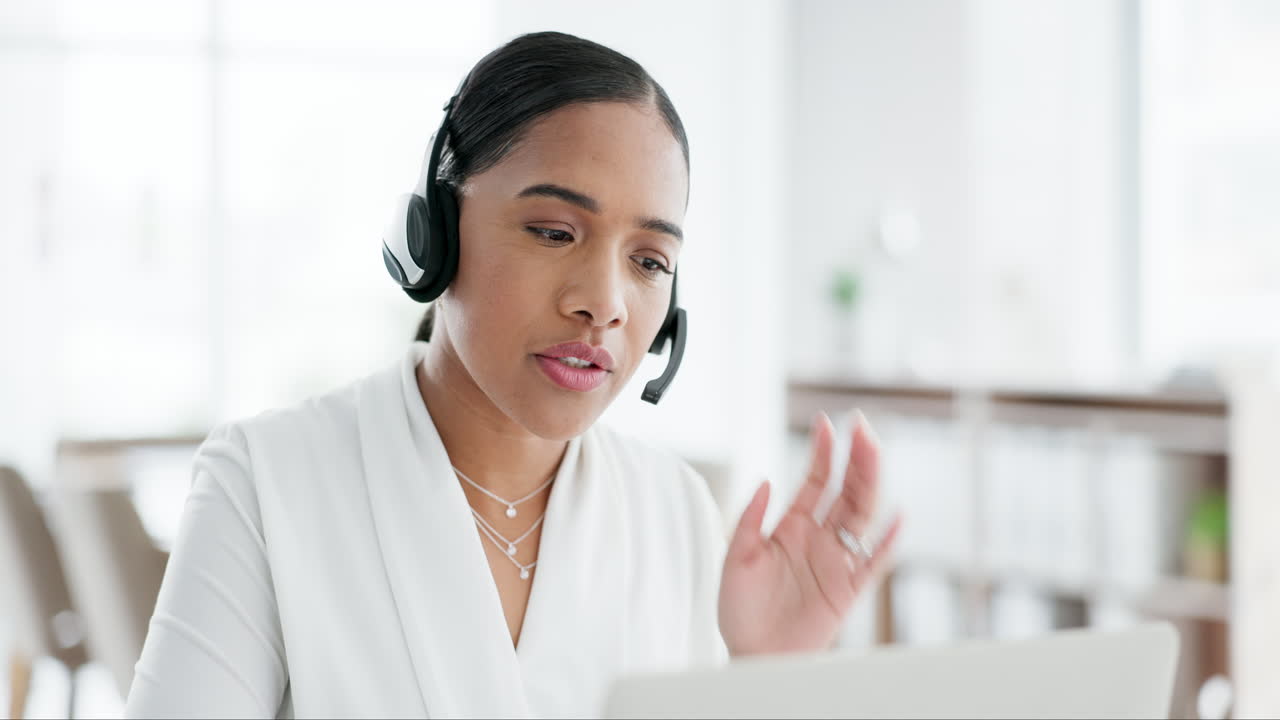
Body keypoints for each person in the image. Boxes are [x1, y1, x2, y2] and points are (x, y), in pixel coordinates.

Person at [123, 31, 903, 719]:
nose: (604, 303)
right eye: (555, 231)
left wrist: (764, 679)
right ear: (435, 233)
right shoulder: (267, 484)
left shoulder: (675, 513)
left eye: (650, 261)